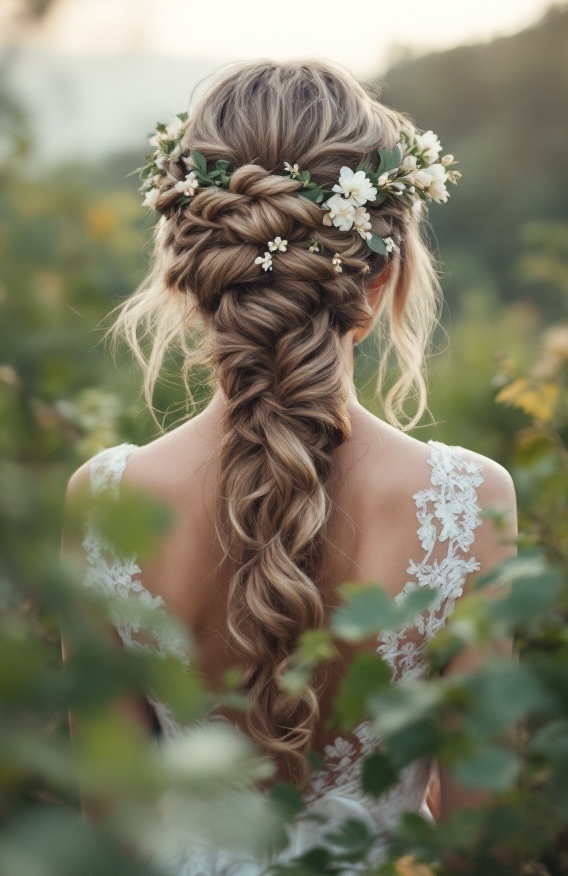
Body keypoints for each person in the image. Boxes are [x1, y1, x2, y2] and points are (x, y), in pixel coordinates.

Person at [63, 58, 517, 874]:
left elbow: (106, 844)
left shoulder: (106, 501)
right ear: (382, 278)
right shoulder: (467, 501)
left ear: (188, 278)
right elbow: (480, 847)